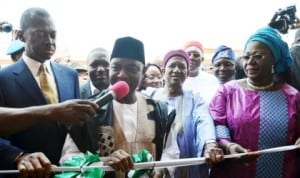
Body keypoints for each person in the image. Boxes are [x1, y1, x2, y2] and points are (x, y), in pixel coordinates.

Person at [0, 7, 98, 177]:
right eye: (40, 34)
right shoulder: (4, 78)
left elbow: (75, 129)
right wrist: (17, 156)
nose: (49, 41)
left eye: (53, 34)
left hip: (69, 172)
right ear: (21, 36)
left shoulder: (69, 75)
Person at [61, 36, 176, 178]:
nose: (122, 75)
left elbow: (171, 153)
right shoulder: (90, 109)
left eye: (132, 69)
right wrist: (102, 164)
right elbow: (69, 159)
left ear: (142, 73)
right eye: (116, 67)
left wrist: (161, 169)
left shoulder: (160, 111)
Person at [209, 26, 300, 178]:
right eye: (246, 57)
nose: (250, 62)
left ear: (274, 59)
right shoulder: (227, 91)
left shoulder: (292, 96)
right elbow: (219, 124)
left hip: (280, 172)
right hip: (234, 171)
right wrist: (228, 145)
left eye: (258, 56)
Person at [147, 49, 223, 178]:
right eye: (172, 65)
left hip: (188, 169)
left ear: (187, 73)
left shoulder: (195, 99)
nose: (176, 70)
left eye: (182, 67)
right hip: (156, 169)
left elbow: (204, 121)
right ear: (164, 71)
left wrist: (210, 144)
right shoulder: (150, 97)